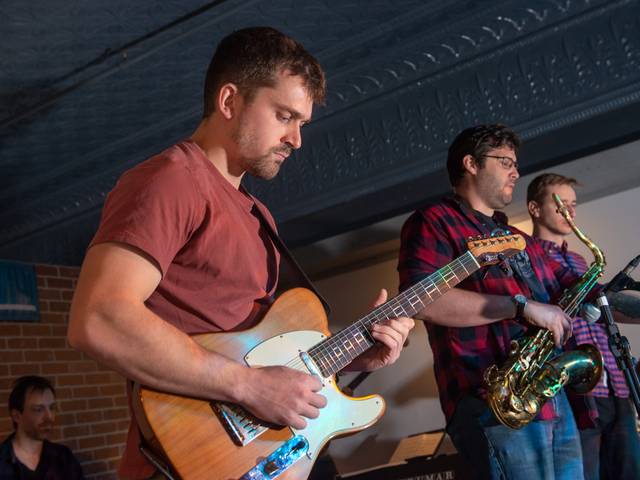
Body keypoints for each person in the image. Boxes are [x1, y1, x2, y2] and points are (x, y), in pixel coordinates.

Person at [68, 26, 414, 479]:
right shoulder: (173, 179)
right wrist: (249, 385)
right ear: (230, 101)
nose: (297, 139)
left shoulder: (258, 216)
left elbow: (257, 354)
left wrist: (353, 357)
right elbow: (98, 319)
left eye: (302, 123)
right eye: (285, 116)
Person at [397, 124, 586, 479]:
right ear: (471, 163)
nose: (516, 172)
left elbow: (572, 292)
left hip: (548, 395)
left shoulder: (518, 237)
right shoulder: (433, 220)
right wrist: (519, 306)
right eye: (505, 162)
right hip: (491, 400)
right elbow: (418, 301)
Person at [528, 172, 640, 479]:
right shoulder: (528, 256)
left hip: (614, 387)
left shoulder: (578, 259)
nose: (570, 212)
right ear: (535, 208)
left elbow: (604, 305)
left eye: (573, 204)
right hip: (576, 391)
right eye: (561, 204)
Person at [0, 376, 84, 479]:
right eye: (38, 409)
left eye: (52, 408)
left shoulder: (64, 457)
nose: (49, 417)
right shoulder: (2, 462)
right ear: (17, 416)